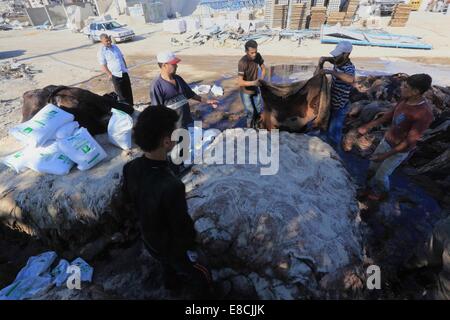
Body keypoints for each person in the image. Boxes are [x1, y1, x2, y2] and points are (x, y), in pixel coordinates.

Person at [117, 105, 213, 296]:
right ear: (167, 142)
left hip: (149, 238)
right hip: (172, 246)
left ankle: (171, 284)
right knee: (201, 273)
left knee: (165, 263)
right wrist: (191, 244)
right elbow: (181, 227)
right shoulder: (172, 185)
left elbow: (129, 200)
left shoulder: (130, 168)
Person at [357, 74, 434, 201]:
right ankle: (368, 188)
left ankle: (383, 194)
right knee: (372, 167)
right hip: (387, 140)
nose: (402, 87)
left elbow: (409, 141)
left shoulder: (424, 114)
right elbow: (389, 114)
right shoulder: (405, 99)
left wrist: (384, 156)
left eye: (406, 86)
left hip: (399, 150)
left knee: (381, 175)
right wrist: (369, 126)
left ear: (416, 91)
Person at [150, 51, 218, 130]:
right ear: (164, 65)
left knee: (195, 138)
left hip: (187, 122)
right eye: (173, 64)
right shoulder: (157, 85)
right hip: (173, 128)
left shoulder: (178, 79)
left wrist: (207, 101)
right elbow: (156, 112)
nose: (176, 66)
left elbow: (191, 94)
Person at [317, 40, 356, 146]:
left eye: (338, 55)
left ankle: (334, 150)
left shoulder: (349, 67)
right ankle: (324, 143)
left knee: (334, 131)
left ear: (346, 54)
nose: (336, 57)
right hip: (332, 101)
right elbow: (333, 60)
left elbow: (350, 79)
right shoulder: (339, 61)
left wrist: (330, 71)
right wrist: (325, 59)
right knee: (326, 125)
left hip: (341, 105)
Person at [97, 34, 134, 106]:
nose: (109, 42)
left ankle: (131, 105)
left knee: (128, 91)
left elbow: (121, 58)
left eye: (109, 40)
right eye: (106, 41)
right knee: (121, 94)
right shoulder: (101, 52)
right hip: (115, 75)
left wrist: (125, 68)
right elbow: (103, 65)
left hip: (124, 72)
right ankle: (126, 108)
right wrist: (110, 75)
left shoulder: (115, 47)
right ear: (102, 41)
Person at [238, 40, 266, 129]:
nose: (254, 54)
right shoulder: (242, 62)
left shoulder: (258, 56)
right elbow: (240, 82)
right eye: (251, 53)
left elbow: (263, 68)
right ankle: (249, 128)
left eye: (255, 52)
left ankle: (257, 125)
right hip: (245, 91)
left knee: (258, 109)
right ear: (246, 52)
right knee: (250, 112)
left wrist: (261, 78)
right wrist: (254, 82)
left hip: (256, 89)